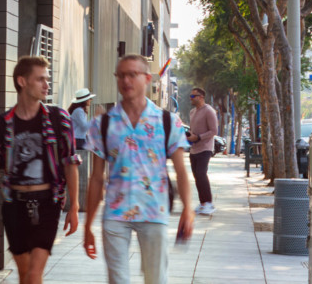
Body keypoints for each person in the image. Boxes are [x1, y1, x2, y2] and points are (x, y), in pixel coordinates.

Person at [84, 55, 194, 284]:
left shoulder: (167, 121)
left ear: (146, 78)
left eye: (132, 74)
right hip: (115, 214)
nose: (126, 80)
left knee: (156, 279)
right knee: (118, 280)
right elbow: (96, 178)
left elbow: (181, 172)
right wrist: (88, 225)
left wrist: (188, 209)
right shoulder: (102, 124)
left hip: (154, 211)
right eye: (121, 75)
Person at [0, 57, 80, 284]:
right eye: (40, 79)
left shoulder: (60, 119)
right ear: (22, 81)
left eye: (47, 79)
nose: (46, 85)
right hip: (14, 206)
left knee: (34, 274)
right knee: (24, 274)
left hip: (48, 204)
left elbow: (70, 163)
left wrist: (74, 205)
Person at [186, 87, 219, 215]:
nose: (191, 98)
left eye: (193, 96)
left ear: (201, 97)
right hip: (194, 149)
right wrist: (189, 135)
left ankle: (209, 203)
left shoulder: (209, 111)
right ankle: (203, 203)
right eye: (190, 95)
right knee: (196, 176)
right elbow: (194, 129)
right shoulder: (192, 112)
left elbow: (214, 131)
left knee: (201, 174)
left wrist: (199, 137)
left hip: (205, 148)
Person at [68, 89, 95, 203]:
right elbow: (84, 126)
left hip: (81, 139)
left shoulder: (80, 111)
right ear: (84, 100)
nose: (90, 100)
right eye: (89, 98)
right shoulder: (78, 111)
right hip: (77, 140)